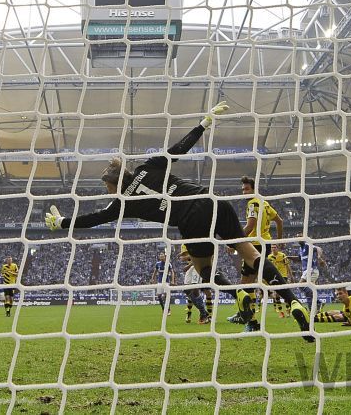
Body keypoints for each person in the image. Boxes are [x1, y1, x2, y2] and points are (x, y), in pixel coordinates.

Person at [44, 102, 313, 342]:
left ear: (115, 183)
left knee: (203, 269)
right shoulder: (147, 167)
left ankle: (237, 295)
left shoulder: (121, 202)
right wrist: (204, 123)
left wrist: (62, 222)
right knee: (250, 253)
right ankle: (293, 301)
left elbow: (94, 219)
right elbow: (178, 149)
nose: (107, 192)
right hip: (212, 201)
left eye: (107, 187)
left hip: (189, 219)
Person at [230, 176, 284, 330]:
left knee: (245, 284)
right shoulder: (265, 203)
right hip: (265, 244)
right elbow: (280, 221)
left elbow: (250, 225)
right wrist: (278, 241)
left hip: (254, 245)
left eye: (247, 189)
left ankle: (250, 321)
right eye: (243, 189)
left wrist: (234, 242)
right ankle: (251, 321)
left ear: (254, 189)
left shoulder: (253, 203)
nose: (244, 192)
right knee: (250, 282)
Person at [178, 244, 211, 324]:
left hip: (197, 266)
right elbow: (182, 258)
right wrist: (188, 257)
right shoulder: (184, 244)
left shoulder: (197, 241)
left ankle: (203, 314)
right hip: (190, 267)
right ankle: (204, 313)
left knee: (195, 289)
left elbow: (199, 255)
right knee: (186, 290)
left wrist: (188, 258)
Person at [293, 241, 326, 313]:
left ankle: (317, 303)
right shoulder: (300, 249)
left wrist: (319, 257)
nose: (299, 238)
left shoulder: (307, 245)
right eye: (298, 237)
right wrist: (288, 257)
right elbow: (299, 258)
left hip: (311, 269)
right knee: (308, 292)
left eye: (301, 236)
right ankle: (314, 308)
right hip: (306, 271)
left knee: (301, 285)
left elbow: (319, 248)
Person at [268, 244, 293, 318]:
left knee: (285, 294)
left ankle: (288, 311)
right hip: (275, 277)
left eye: (275, 247)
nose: (273, 249)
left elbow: (288, 266)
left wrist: (291, 276)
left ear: (277, 248)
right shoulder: (269, 257)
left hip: (283, 276)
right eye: (272, 247)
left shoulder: (282, 255)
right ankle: (281, 312)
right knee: (276, 295)